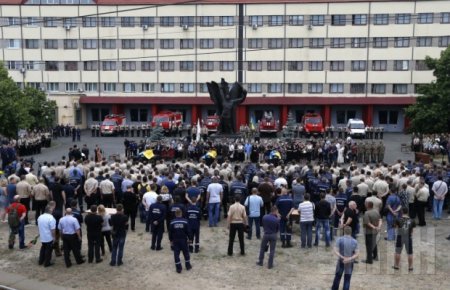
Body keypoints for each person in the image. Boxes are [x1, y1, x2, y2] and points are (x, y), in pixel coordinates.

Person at [331, 226, 359, 290]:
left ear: (344, 231)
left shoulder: (340, 239)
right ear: (351, 232)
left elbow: (335, 250)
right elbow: (357, 253)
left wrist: (342, 257)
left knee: (337, 277)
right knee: (347, 279)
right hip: (350, 262)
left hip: (341, 261)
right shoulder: (355, 241)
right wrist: (350, 258)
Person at [169, 208, 192, 273]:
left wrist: (171, 240)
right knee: (186, 253)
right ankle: (188, 266)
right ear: (181, 213)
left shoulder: (172, 222)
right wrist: (190, 239)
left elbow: (170, 232)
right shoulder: (185, 221)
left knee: (176, 254)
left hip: (175, 240)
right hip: (183, 240)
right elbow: (188, 231)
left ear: (175, 214)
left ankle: (178, 268)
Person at [393, 207, 415, 271]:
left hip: (400, 237)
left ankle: (396, 265)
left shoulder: (398, 219)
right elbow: (412, 231)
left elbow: (396, 228)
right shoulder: (412, 220)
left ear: (402, 211)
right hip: (408, 237)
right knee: (410, 253)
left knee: (398, 252)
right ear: (407, 212)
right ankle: (410, 267)